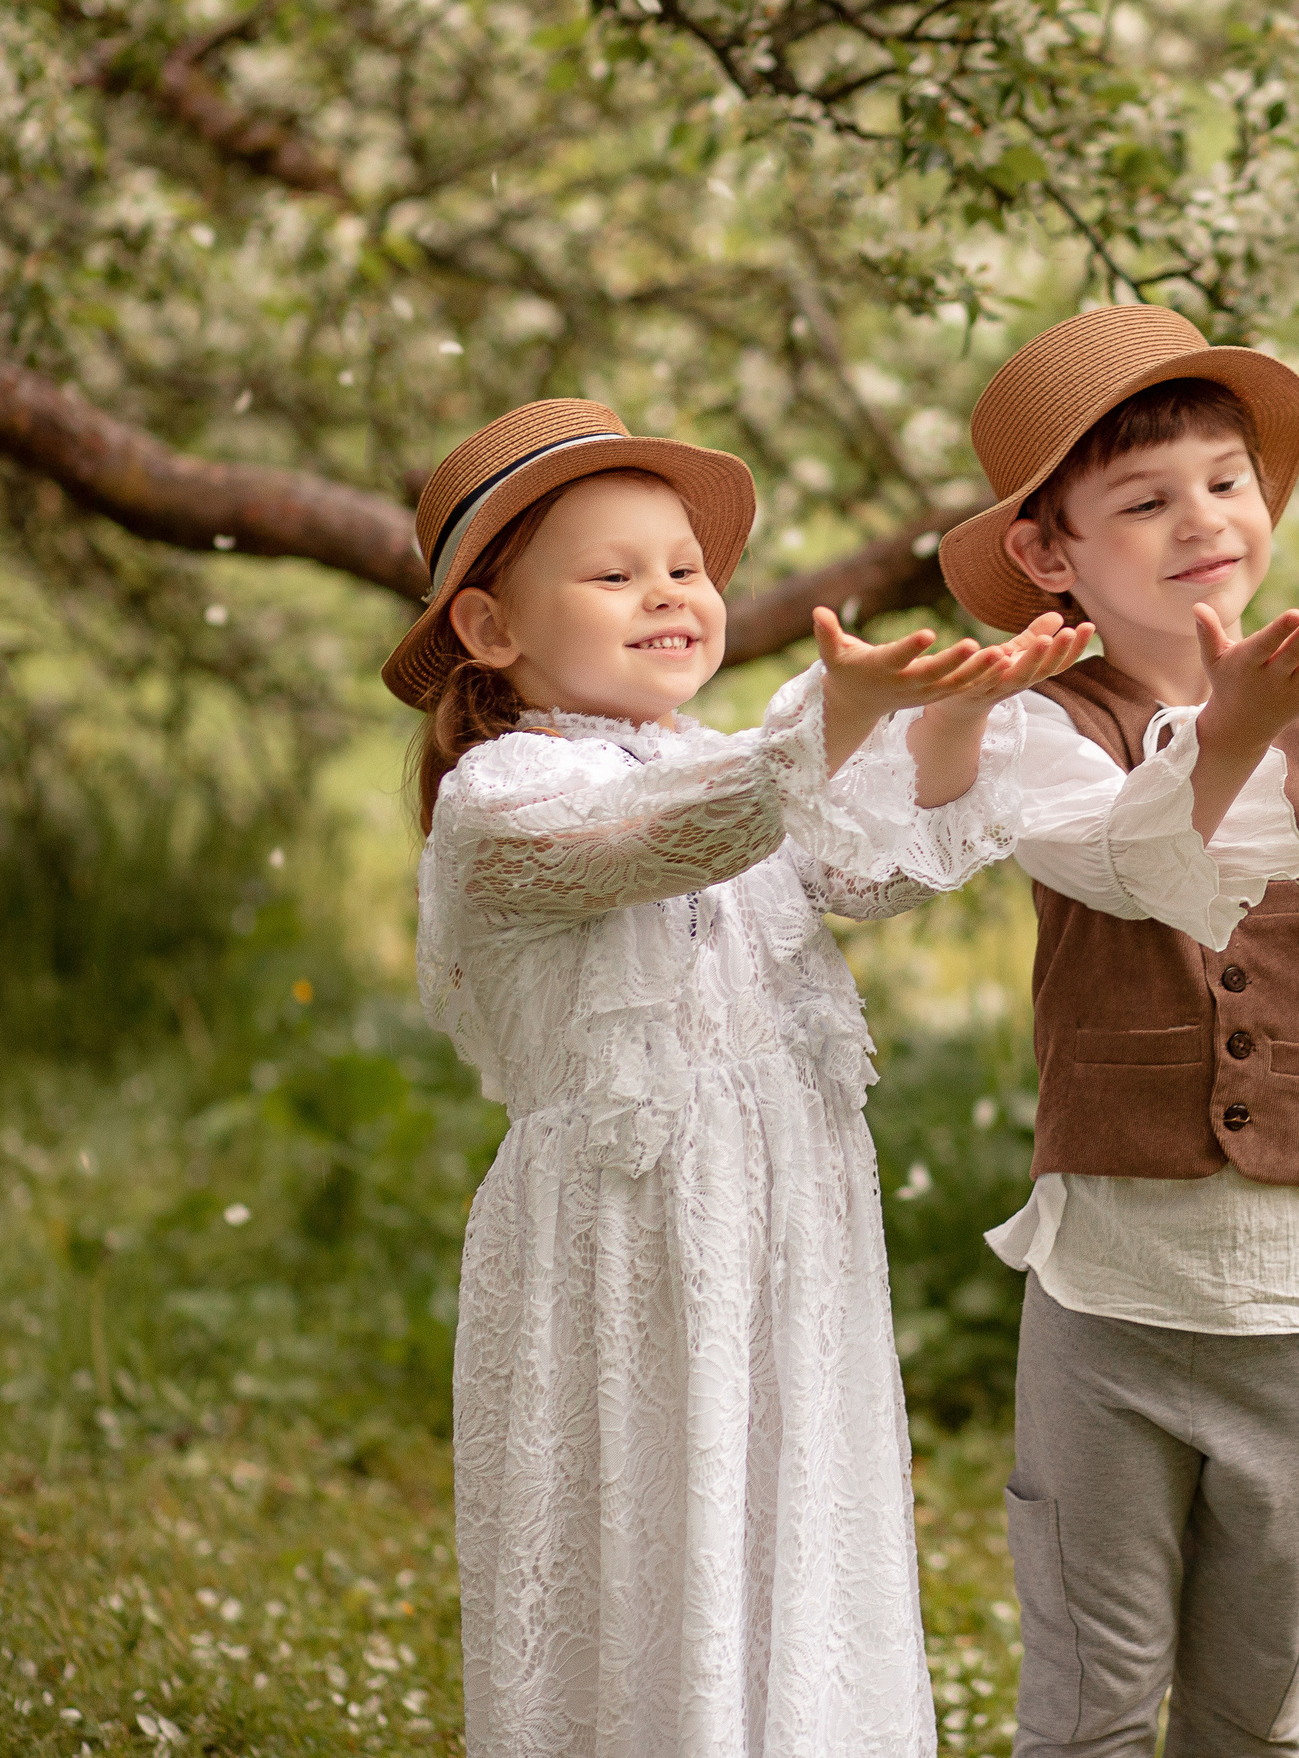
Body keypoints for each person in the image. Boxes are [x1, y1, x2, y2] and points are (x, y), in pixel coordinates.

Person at [381, 397, 1088, 1757]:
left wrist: (949, 719)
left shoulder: (729, 765)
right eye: (614, 573)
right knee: (647, 1520)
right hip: (624, 1240)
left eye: (686, 567)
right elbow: (664, 841)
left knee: (789, 1509)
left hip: (786, 1224)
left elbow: (869, 871)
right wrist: (833, 718)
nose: (669, 593)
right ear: (489, 626)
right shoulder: (500, 803)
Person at [936, 306, 1299, 1757]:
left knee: (1255, 1704)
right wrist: (1230, 730)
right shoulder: (1042, 727)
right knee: (1091, 1691)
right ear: (1048, 554)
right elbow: (1134, 870)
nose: (1201, 519)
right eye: (1143, 500)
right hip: (1113, 1290)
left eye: (1226, 481)